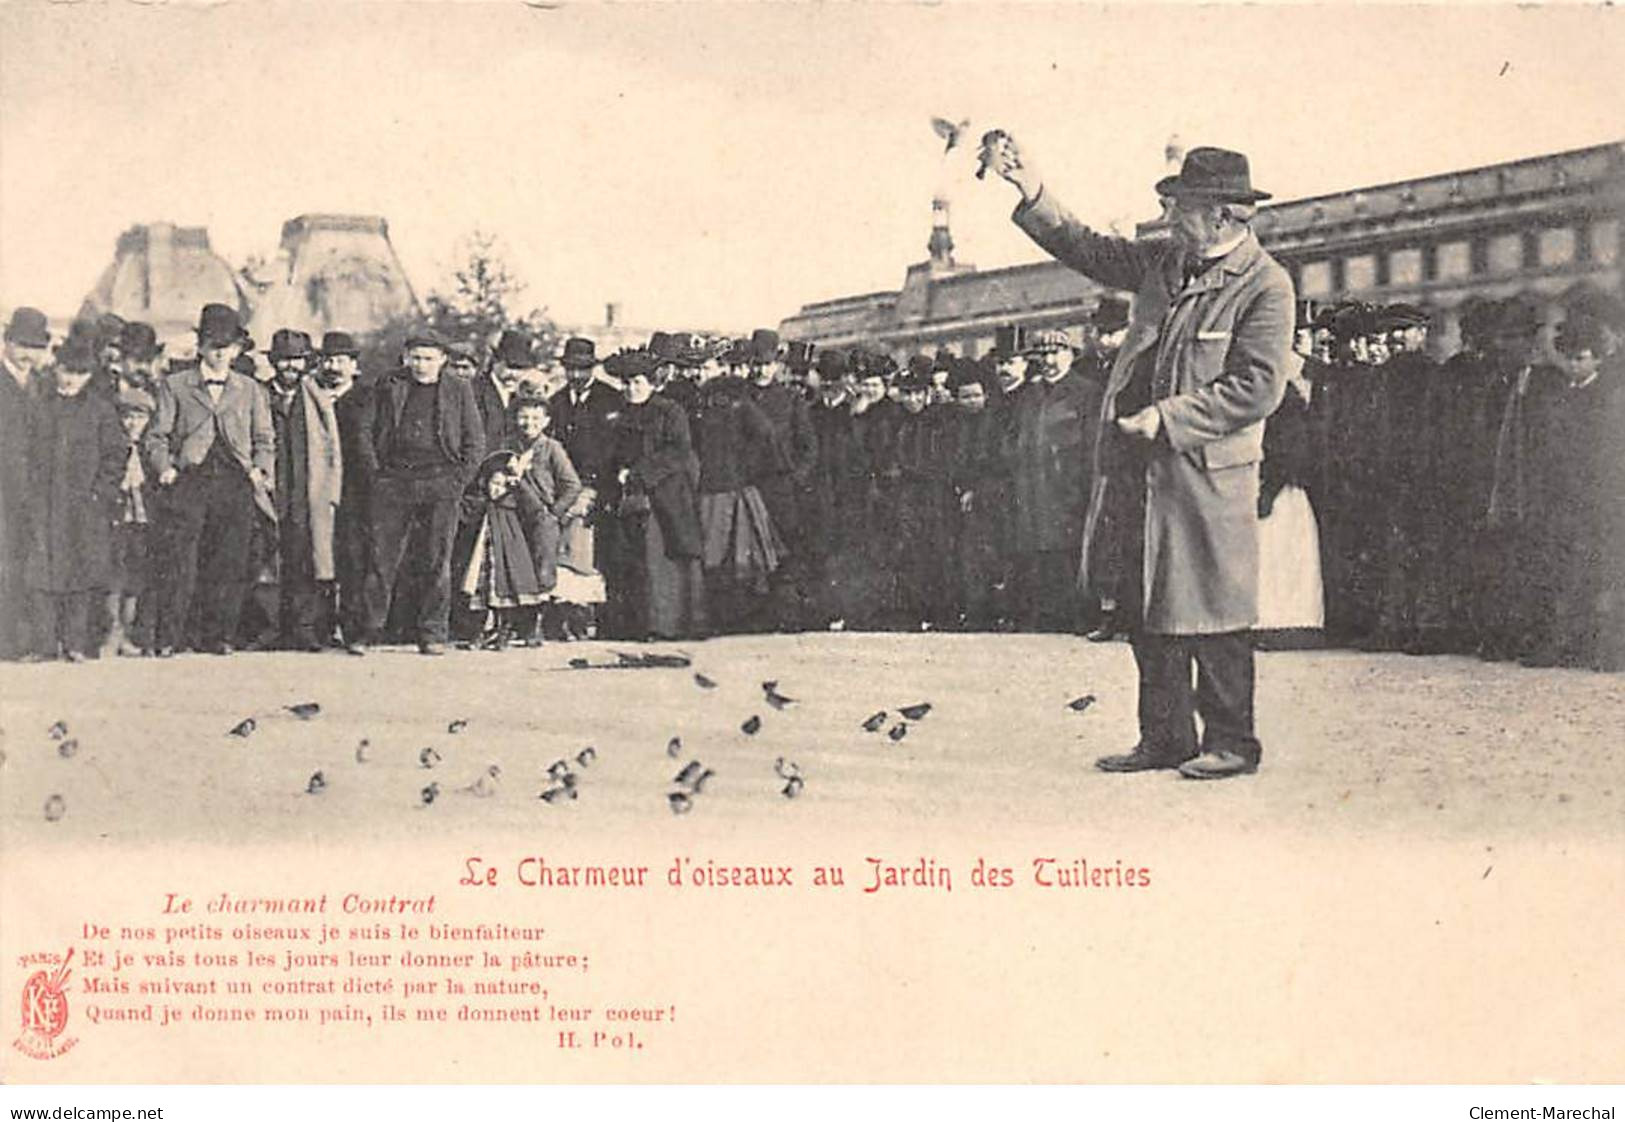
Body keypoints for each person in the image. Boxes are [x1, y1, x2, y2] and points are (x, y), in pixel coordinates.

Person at [988, 136, 1293, 780]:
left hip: (1204, 471)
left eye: (1180, 206)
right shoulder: (1165, 262)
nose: (1168, 216)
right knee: (1146, 601)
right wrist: (1033, 191)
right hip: (1138, 461)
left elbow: (1257, 387)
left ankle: (1233, 743)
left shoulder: (1266, 286)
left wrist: (1169, 417)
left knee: (1213, 608)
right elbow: (1090, 250)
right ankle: (1166, 738)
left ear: (1223, 215)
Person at [143, 303, 276, 656]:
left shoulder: (250, 389)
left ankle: (219, 636)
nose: (220, 353)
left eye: (227, 346)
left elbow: (264, 439)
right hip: (191, 480)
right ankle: (172, 636)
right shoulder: (176, 385)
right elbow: (157, 436)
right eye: (213, 345)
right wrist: (165, 468)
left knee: (230, 562)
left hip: (235, 481)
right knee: (181, 562)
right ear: (200, 346)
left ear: (237, 350)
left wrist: (260, 470)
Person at [356, 330, 485, 655]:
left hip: (441, 481)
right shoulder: (389, 384)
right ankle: (369, 631)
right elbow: (365, 431)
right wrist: (377, 476)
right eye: (415, 357)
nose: (421, 365)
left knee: (437, 559)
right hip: (394, 482)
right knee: (381, 559)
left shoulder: (458, 389)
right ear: (406, 358)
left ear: (443, 360)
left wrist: (458, 481)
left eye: (428, 358)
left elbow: (475, 440)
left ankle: (432, 633)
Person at [24, 338, 126, 661]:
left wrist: (101, 493)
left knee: (80, 576)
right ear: (56, 369)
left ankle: (76, 644)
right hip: (45, 505)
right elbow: (24, 454)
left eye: (79, 373)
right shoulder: (40, 407)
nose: (69, 379)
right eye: (66, 371)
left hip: (84, 506)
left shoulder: (100, 411)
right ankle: (43, 646)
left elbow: (116, 455)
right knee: (42, 574)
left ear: (89, 376)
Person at [600, 355, 706, 641]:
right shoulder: (618, 415)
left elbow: (679, 451)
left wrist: (639, 473)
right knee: (630, 560)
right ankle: (635, 624)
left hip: (665, 497)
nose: (630, 389)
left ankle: (666, 624)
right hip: (629, 498)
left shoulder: (669, 411)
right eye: (626, 383)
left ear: (651, 384)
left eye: (637, 382)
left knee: (660, 560)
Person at [1008, 327, 1100, 633]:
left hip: (1068, 484)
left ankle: (1079, 616)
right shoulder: (1029, 395)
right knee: (1038, 550)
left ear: (1070, 355)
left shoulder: (1087, 392)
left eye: (1056, 353)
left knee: (1070, 550)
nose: (1049, 360)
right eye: (1043, 354)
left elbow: (1092, 443)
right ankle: (1045, 616)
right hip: (1033, 485)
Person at [262, 328, 344, 652]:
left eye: (297, 361)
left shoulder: (316, 398)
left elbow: (332, 448)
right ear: (274, 363)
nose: (290, 368)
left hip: (306, 488)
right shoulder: (260, 394)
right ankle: (271, 627)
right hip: (271, 486)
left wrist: (330, 489)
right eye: (284, 361)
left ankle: (304, 628)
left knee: (307, 557)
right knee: (270, 557)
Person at [746, 328, 818, 631]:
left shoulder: (790, 400)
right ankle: (753, 616)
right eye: (756, 364)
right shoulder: (739, 397)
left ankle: (786, 615)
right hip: (747, 486)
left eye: (766, 364)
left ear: (776, 364)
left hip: (780, 487)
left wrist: (795, 478)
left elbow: (809, 447)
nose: (761, 370)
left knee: (785, 548)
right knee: (749, 547)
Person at [509, 392, 584, 643]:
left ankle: (538, 625)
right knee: (516, 567)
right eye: (523, 417)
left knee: (543, 569)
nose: (528, 423)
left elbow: (572, 485)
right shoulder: (508, 446)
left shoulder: (551, 448)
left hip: (542, 518)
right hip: (512, 517)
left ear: (546, 421)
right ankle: (515, 624)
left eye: (535, 418)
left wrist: (554, 513)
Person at [1, 307, 52, 659]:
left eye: (35, 347)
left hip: (32, 492)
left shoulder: (44, 384)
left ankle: (20, 641)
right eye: (21, 345)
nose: (27, 354)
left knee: (24, 565)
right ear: (6, 342)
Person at [455, 450, 545, 649]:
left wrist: (519, 484)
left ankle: (504, 631)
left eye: (503, 485)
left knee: (506, 596)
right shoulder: (481, 502)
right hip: (481, 556)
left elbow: (536, 509)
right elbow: (463, 513)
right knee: (480, 595)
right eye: (494, 483)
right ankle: (478, 633)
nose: (497, 489)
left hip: (507, 555)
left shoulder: (512, 503)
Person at [104, 385, 157, 657]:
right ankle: (114, 631)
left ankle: (130, 629)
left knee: (138, 574)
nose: (132, 423)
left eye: (139, 416)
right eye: (127, 416)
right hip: (117, 518)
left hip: (144, 519)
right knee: (115, 573)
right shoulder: (113, 446)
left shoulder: (151, 450)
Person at [474, 329, 534, 453]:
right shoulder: (475, 391)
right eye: (510, 366)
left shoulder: (522, 397)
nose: (514, 374)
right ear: (496, 361)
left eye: (521, 368)